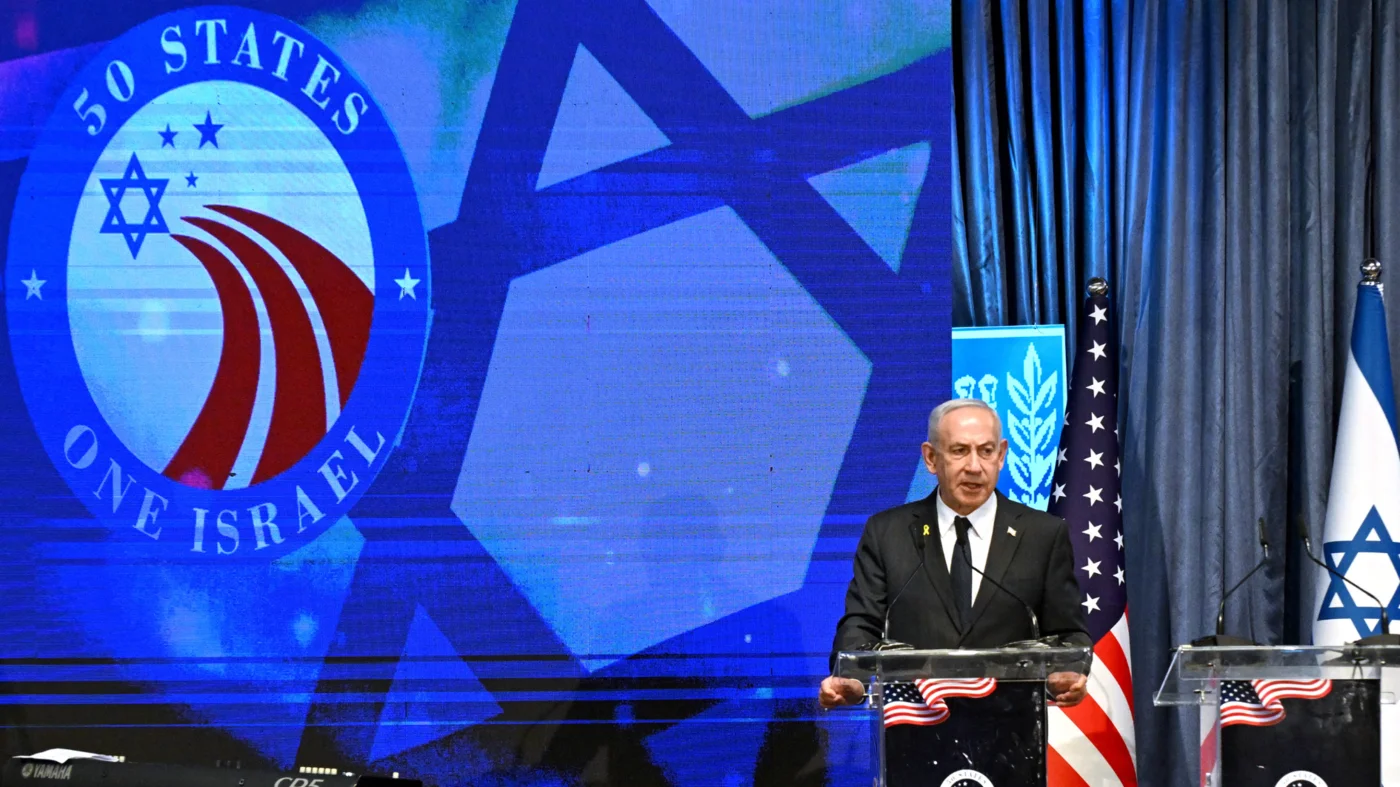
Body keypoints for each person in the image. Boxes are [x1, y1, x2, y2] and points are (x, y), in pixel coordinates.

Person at [819, 398, 1091, 709]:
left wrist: (1068, 671)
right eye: (960, 451)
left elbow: (1068, 633)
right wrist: (852, 677)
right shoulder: (887, 533)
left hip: (1013, 731)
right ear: (931, 458)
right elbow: (861, 623)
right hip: (912, 726)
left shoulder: (1042, 534)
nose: (975, 466)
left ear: (1001, 455)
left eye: (986, 451)